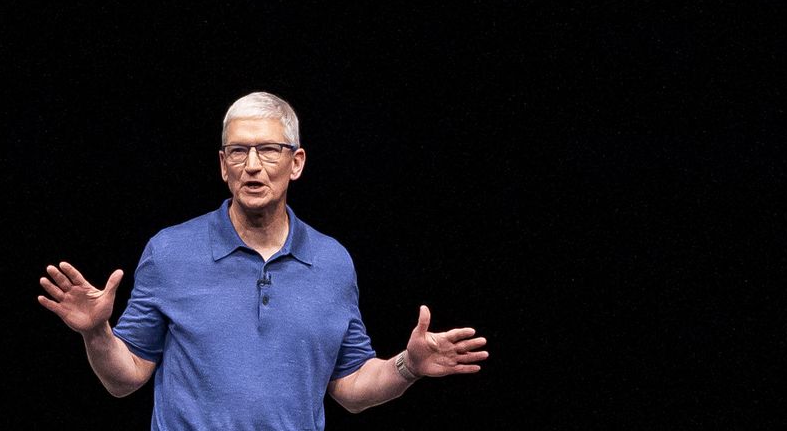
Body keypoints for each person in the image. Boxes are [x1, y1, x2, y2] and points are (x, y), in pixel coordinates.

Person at [38, 91, 488, 429]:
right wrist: (97, 332)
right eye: (238, 151)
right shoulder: (170, 251)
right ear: (223, 165)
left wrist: (407, 366)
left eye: (269, 150)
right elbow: (125, 378)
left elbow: (351, 388)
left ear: (296, 162)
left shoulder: (333, 262)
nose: (253, 165)